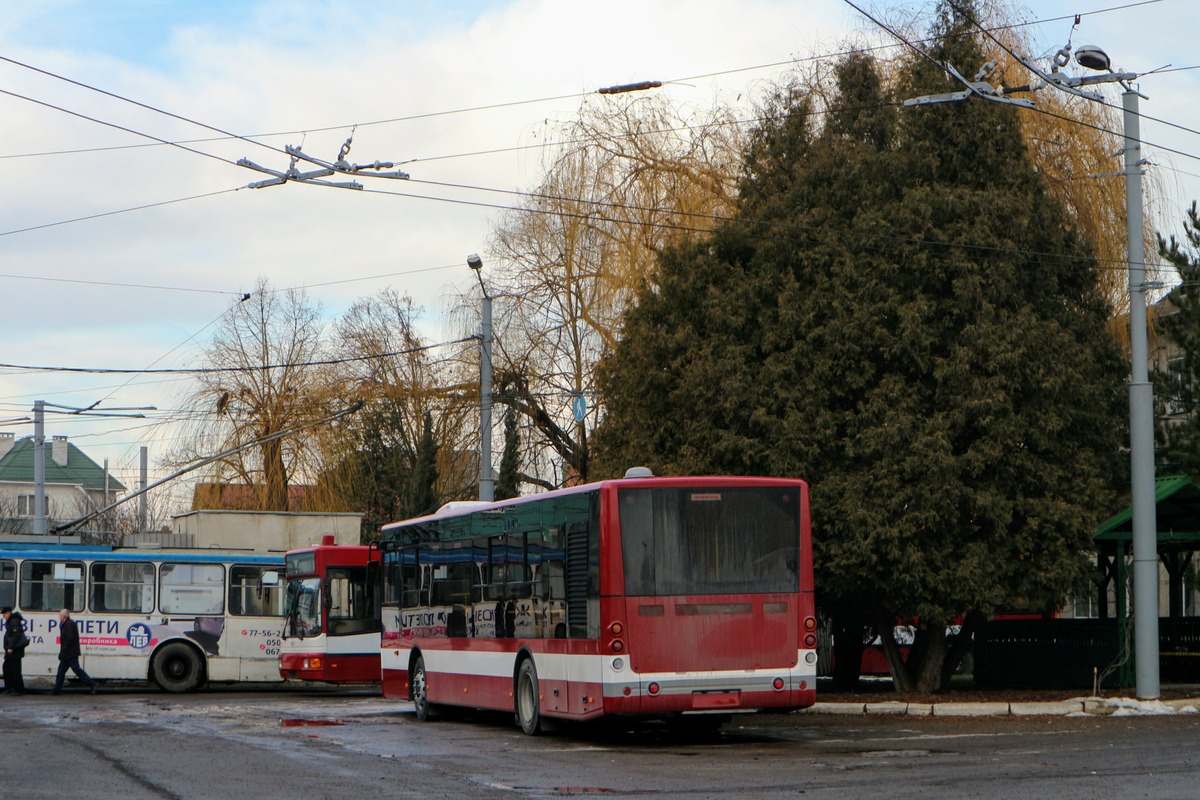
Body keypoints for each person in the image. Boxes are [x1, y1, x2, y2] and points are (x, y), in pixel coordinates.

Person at [53, 609, 97, 695]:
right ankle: (56, 690)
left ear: (64, 617)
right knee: (62, 671)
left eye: (60, 616)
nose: (59, 617)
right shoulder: (68, 623)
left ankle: (93, 684)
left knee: (75, 670)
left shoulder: (68, 624)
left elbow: (69, 639)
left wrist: (63, 652)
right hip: (69, 653)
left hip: (70, 654)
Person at [2, 606, 27, 696]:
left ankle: (19, 689)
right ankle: (10, 688)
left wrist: (11, 647)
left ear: (8, 613)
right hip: (12, 650)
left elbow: (16, 635)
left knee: (15, 670)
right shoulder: (12, 621)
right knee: (7, 668)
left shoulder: (14, 621)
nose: (3, 616)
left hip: (14, 650)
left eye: (4, 614)